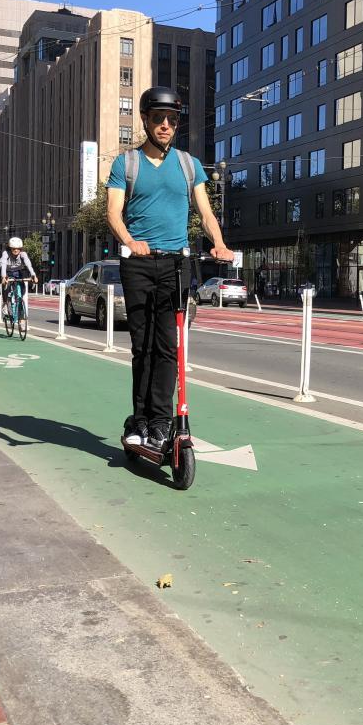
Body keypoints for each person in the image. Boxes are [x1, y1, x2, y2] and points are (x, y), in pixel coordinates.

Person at [107, 86, 234, 452]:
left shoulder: (188, 165)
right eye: (158, 118)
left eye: (172, 120)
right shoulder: (126, 164)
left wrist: (219, 242)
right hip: (138, 264)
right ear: (145, 120)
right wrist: (130, 241)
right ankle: (140, 419)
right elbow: (113, 213)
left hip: (176, 264)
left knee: (167, 346)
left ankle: (161, 422)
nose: (165, 125)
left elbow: (205, 213)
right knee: (142, 346)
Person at [0, 237, 38, 324]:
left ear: (21, 249)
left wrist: (33, 275)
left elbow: (28, 264)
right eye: (13, 249)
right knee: (6, 286)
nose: (16, 250)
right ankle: (5, 303)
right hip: (7, 272)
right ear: (10, 248)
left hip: (18, 272)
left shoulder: (23, 254)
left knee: (20, 295)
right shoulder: (5, 253)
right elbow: (3, 264)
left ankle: (21, 318)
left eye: (18, 248)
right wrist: (4, 277)